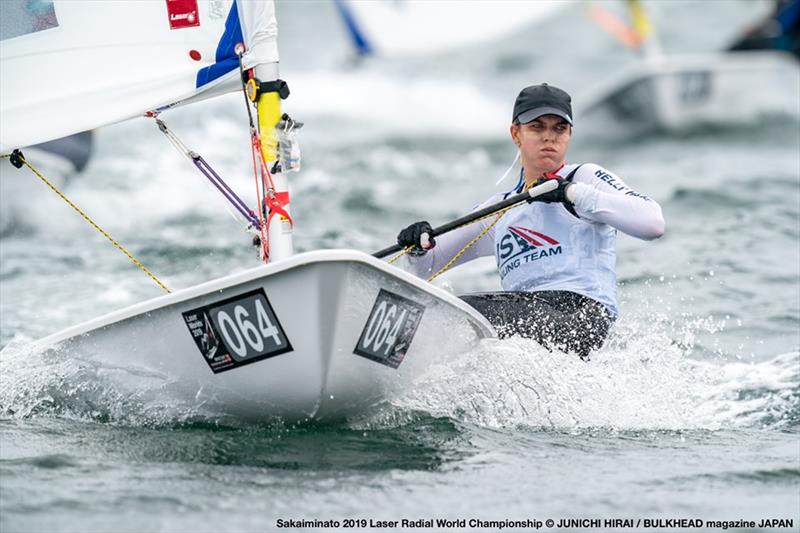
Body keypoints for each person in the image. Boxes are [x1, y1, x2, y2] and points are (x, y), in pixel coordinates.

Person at [394, 83, 665, 359]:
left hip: (584, 317)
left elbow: (653, 223)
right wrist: (417, 247)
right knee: (438, 313)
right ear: (516, 133)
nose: (549, 137)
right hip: (526, 324)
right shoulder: (500, 209)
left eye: (559, 128)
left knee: (454, 317)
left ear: (569, 133)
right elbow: (423, 269)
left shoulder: (584, 178)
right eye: (537, 127)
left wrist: (570, 193)